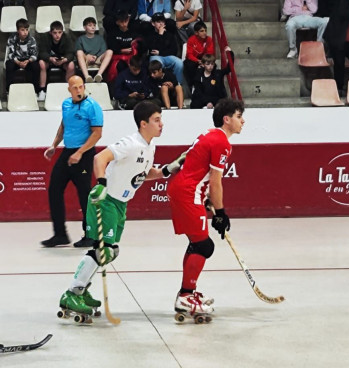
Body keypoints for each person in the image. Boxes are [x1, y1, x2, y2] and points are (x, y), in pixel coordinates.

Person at [58, 101, 184, 320]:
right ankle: (72, 293)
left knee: (110, 251)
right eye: (157, 120)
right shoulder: (131, 143)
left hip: (120, 204)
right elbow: (100, 158)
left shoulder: (149, 146)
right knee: (103, 250)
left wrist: (166, 170)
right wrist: (101, 183)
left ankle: (82, 289)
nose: (161, 124)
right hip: (106, 200)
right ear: (143, 124)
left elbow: (143, 174)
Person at [166, 98, 245, 317]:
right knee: (204, 246)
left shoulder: (211, 135)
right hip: (187, 192)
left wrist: (209, 201)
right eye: (239, 117)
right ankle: (185, 297)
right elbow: (216, 181)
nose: (243, 121)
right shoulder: (222, 142)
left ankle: (186, 292)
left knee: (197, 243)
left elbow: (200, 172)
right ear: (226, 119)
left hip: (186, 190)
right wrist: (220, 213)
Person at [42, 75, 104, 248]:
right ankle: (60, 234)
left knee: (85, 193)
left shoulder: (92, 107)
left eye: (80, 87)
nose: (78, 90)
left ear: (84, 87)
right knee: (54, 189)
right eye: (74, 88)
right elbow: (64, 126)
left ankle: (90, 235)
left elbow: (97, 134)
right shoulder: (66, 104)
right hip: (67, 153)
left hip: (83, 156)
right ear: (69, 89)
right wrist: (54, 145)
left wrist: (80, 152)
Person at [324, 0, 349, 91]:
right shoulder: (341, 1)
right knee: (339, 65)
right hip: (338, 39)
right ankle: (339, 89)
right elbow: (342, 14)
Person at [37, 20, 76, 101]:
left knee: (71, 65)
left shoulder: (67, 37)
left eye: (59, 32)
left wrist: (65, 59)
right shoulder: (44, 37)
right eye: (55, 33)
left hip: (62, 61)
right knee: (41, 63)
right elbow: (41, 53)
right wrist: (50, 58)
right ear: (50, 32)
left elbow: (71, 53)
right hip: (49, 60)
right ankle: (42, 90)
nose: (57, 35)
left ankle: (68, 89)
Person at [146, 12, 184, 84]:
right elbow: (153, 50)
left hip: (167, 57)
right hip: (156, 57)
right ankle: (160, 85)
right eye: (158, 22)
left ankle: (177, 85)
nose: (161, 24)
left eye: (162, 21)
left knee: (179, 63)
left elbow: (174, 51)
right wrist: (160, 34)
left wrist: (160, 52)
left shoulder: (169, 34)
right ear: (153, 23)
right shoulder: (150, 35)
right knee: (157, 63)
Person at [5, 18, 40, 94]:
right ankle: (9, 91)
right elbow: (10, 54)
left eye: (26, 30)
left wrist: (28, 61)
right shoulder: (12, 39)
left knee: (36, 66)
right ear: (18, 30)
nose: (25, 32)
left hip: (27, 60)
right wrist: (18, 62)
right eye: (22, 30)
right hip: (16, 60)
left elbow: (34, 54)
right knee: (9, 65)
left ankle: (35, 91)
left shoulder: (32, 39)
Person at [105, 11, 139, 86]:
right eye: (121, 22)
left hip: (132, 55)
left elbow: (140, 45)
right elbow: (111, 47)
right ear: (117, 22)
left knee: (138, 63)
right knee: (120, 65)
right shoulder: (112, 33)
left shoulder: (134, 32)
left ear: (128, 20)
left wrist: (134, 46)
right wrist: (121, 50)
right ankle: (122, 84)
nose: (124, 24)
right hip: (118, 57)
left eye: (125, 21)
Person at [76, 17, 114, 83]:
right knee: (79, 52)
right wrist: (87, 56)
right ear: (85, 27)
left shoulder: (100, 38)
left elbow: (103, 50)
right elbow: (78, 50)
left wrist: (95, 56)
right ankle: (87, 77)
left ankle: (99, 75)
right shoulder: (80, 39)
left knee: (109, 51)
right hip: (86, 59)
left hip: (98, 58)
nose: (93, 27)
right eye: (90, 25)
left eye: (94, 25)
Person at [184, 21, 214, 86]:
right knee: (189, 65)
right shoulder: (191, 40)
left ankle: (211, 86)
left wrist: (204, 62)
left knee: (213, 65)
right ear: (196, 33)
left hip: (204, 59)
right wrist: (198, 61)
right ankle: (193, 85)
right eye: (202, 31)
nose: (205, 33)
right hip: (194, 59)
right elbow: (189, 55)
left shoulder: (209, 39)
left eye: (205, 31)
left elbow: (210, 53)